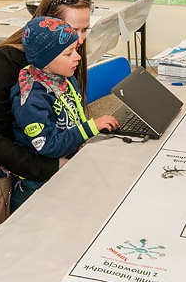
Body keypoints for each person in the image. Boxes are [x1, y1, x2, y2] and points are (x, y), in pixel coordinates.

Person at [0, 0, 93, 206]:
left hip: (48, 150)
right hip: (12, 168)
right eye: (73, 29)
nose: (80, 39)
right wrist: (51, 167)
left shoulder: (66, 55)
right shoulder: (4, 63)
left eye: (85, 30)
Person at [8, 17, 118, 209]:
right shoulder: (30, 100)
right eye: (68, 54)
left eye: (75, 50)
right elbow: (48, 146)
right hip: (40, 180)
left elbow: (75, 115)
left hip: (69, 156)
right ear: (45, 60)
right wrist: (91, 128)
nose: (77, 57)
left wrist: (83, 140)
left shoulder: (64, 78)